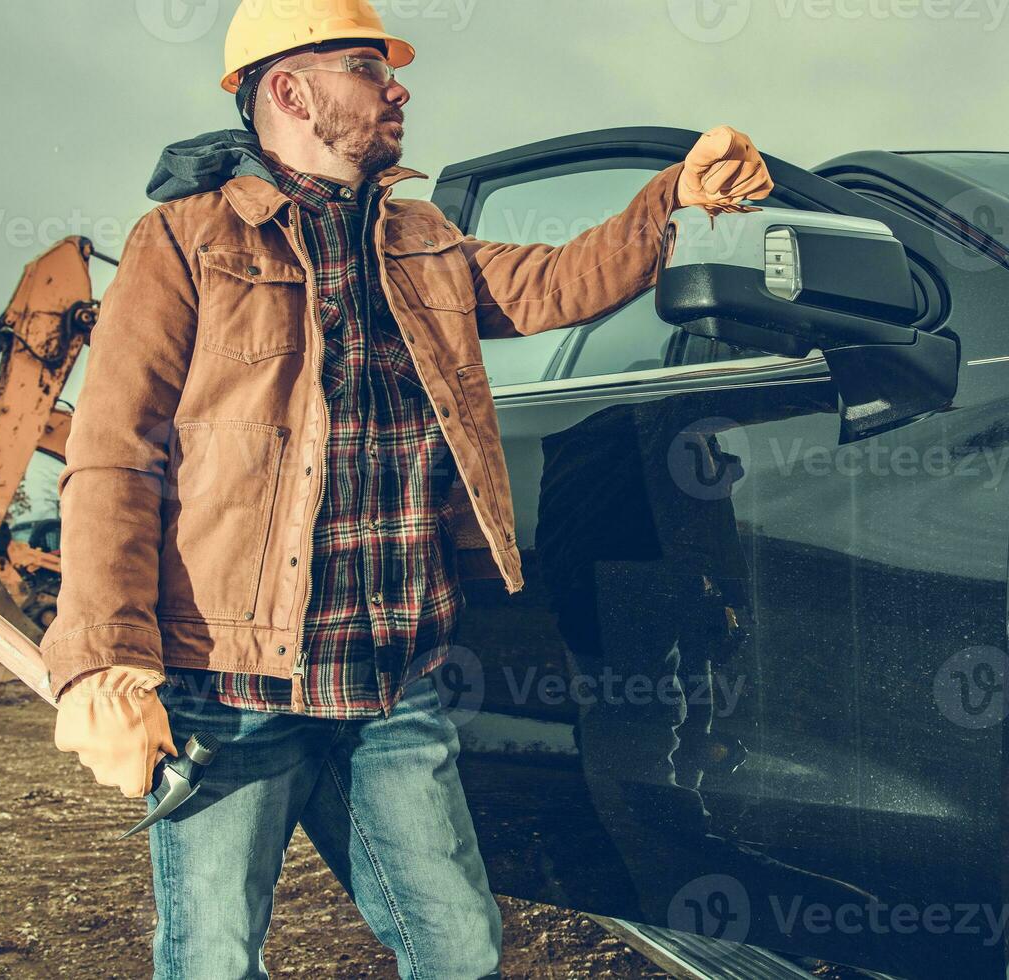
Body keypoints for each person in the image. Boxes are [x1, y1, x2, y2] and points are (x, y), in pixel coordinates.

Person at [39, 1, 773, 976]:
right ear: (289, 88)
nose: (398, 87)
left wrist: (672, 194)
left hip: (394, 680)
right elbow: (113, 450)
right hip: (231, 682)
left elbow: (556, 282)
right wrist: (102, 658)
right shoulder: (183, 240)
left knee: (458, 946)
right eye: (366, 66)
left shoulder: (419, 239)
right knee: (214, 956)